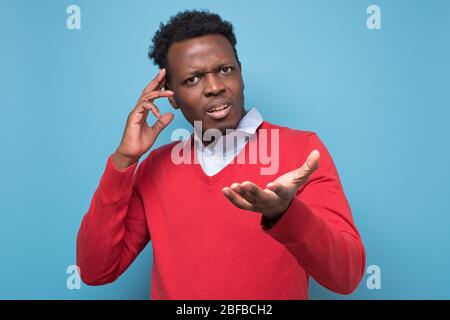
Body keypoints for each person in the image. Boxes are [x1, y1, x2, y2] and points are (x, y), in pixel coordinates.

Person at [76, 10, 366, 300]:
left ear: (241, 73)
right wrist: (124, 161)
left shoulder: (301, 151)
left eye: (225, 70)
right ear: (171, 96)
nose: (215, 87)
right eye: (193, 79)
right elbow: (96, 270)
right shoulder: (155, 167)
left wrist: (284, 213)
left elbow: (346, 276)